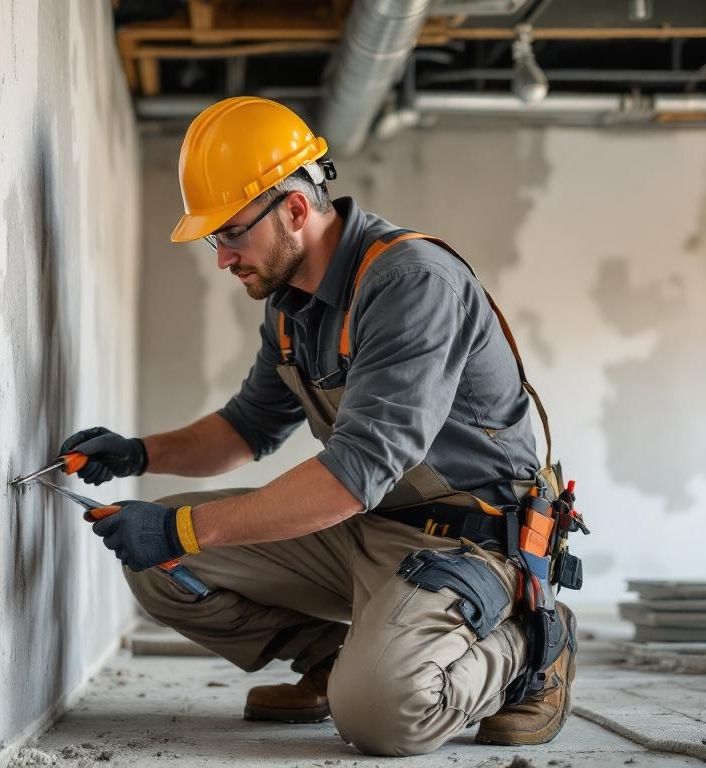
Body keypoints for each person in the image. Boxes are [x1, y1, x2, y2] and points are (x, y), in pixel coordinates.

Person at [58, 96, 580, 757]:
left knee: (382, 719)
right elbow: (246, 429)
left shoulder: (410, 285)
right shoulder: (289, 308)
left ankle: (533, 644)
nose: (223, 259)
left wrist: (182, 526)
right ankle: (336, 662)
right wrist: (137, 452)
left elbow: (352, 476)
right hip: (371, 531)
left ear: (295, 211)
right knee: (160, 564)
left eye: (230, 234)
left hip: (469, 547)